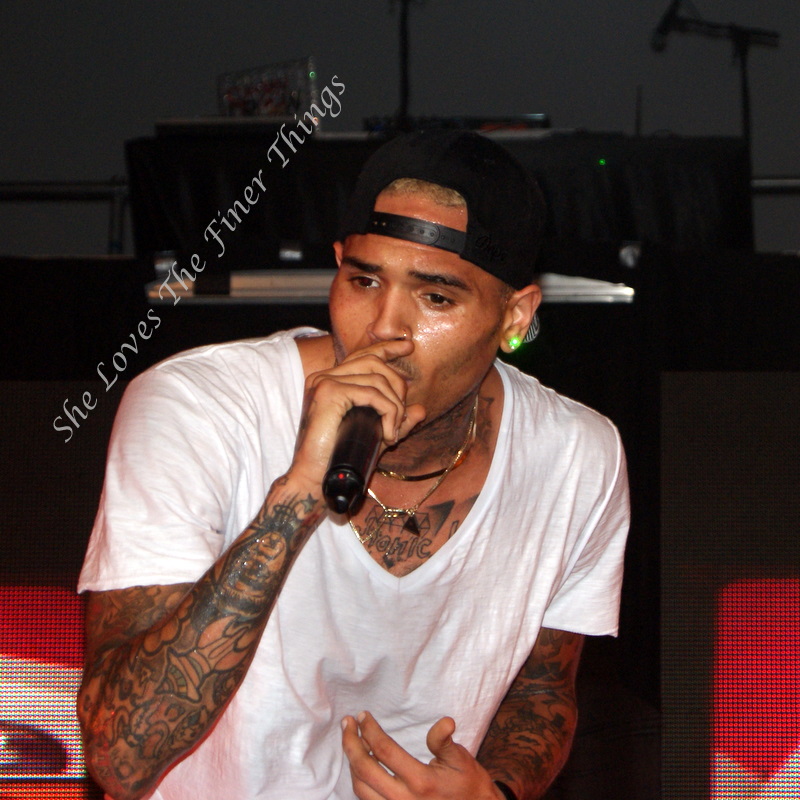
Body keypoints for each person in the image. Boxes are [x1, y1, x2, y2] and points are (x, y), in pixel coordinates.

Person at [77, 130, 630, 800]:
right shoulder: (197, 408)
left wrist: (496, 793)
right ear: (336, 266)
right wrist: (298, 494)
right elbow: (121, 756)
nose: (383, 328)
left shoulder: (576, 457)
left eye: (436, 297)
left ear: (515, 317)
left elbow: (541, 692)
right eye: (364, 280)